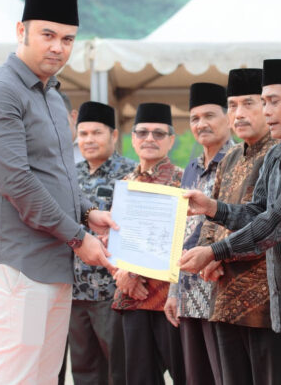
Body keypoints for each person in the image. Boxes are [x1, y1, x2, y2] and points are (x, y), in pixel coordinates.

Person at [0, 0, 116, 384]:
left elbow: (57, 172)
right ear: (21, 31)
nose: (58, 47)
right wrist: (79, 236)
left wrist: (86, 211)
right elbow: (16, 181)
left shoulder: (51, 95)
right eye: (48, 35)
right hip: (17, 264)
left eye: (67, 39)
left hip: (53, 264)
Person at [180, 58, 281, 385]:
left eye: (273, 102)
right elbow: (256, 211)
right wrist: (213, 208)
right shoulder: (278, 154)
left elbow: (277, 222)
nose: (266, 111)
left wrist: (214, 252)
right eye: (263, 101)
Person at [197, 68, 281, 385]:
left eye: (248, 103)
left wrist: (215, 255)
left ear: (266, 106)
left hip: (265, 302)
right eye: (233, 105)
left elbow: (270, 223)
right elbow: (212, 215)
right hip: (223, 296)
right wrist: (209, 256)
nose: (239, 114)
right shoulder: (231, 157)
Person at [111, 102, 186, 385]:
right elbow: (112, 239)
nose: (149, 139)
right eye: (142, 133)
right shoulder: (124, 183)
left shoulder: (184, 180)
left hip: (170, 298)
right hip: (132, 297)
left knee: (185, 374)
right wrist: (121, 273)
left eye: (158, 133)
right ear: (132, 139)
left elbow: (186, 238)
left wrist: (133, 272)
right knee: (139, 378)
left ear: (171, 140)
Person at [165, 82, 233, 385]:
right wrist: (173, 291)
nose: (201, 124)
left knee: (226, 375)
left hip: (222, 290)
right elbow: (181, 230)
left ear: (228, 116)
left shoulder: (239, 161)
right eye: (194, 118)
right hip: (189, 293)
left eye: (209, 115)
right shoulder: (190, 168)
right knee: (196, 377)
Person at [70, 101, 135, 385]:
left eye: (96, 133)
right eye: (83, 134)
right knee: (83, 369)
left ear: (114, 135)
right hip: (73, 289)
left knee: (119, 368)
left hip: (114, 291)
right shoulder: (68, 175)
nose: (88, 140)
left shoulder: (131, 174)